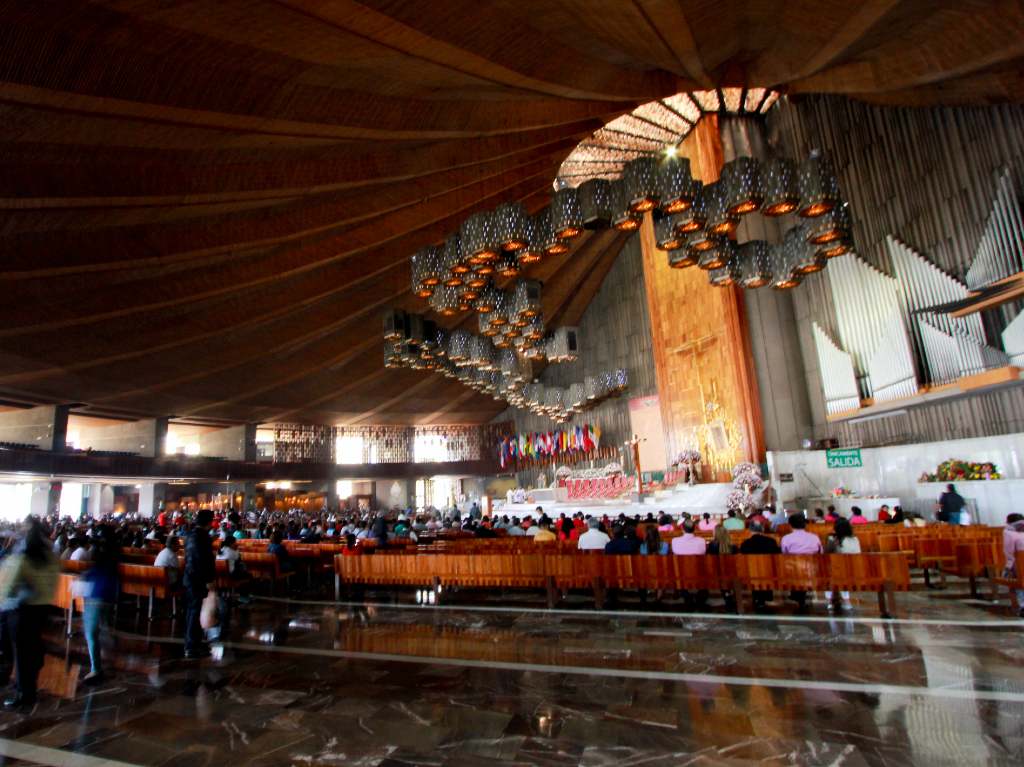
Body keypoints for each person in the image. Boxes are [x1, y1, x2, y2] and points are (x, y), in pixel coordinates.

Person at [0, 519, 59, 708]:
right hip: (42, 610)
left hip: (22, 611)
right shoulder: (51, 557)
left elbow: (7, 587)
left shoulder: (22, 558)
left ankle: (24, 694)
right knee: (32, 652)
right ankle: (28, 689)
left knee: (21, 655)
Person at [78, 529, 119, 684]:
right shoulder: (113, 556)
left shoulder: (100, 554)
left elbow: (93, 572)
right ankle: (101, 659)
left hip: (95, 596)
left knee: (91, 633)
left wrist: (84, 577)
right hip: (107, 596)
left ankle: (96, 669)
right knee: (98, 630)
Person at [183, 509, 215, 659]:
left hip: (189, 576)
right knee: (195, 611)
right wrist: (209, 579)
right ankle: (191, 646)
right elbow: (203, 560)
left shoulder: (189, 535)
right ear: (209, 522)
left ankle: (193, 641)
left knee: (192, 610)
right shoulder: (202, 537)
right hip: (197, 578)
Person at [780, 513, 822, 609]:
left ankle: (798, 595)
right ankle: (801, 595)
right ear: (805, 524)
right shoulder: (814, 537)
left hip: (794, 570)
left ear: (790, 525)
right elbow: (820, 552)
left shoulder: (786, 538)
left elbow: (784, 554)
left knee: (793, 567)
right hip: (811, 568)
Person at [739, 521, 781, 609]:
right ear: (762, 529)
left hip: (752, 573)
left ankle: (758, 598)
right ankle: (766, 597)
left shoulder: (746, 543)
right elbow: (777, 555)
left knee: (754, 571)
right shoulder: (771, 541)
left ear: (750, 530)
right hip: (768, 572)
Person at [824, 518, 860, 610]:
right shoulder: (855, 539)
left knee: (828, 573)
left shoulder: (834, 539)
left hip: (840, 570)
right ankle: (847, 601)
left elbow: (827, 552)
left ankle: (829, 601)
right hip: (856, 568)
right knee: (840, 571)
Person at [1002, 514, 1024, 616]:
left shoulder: (1008, 533)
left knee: (1016, 580)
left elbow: (1009, 551)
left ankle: (1021, 606)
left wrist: (1008, 566)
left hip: (1019, 563)